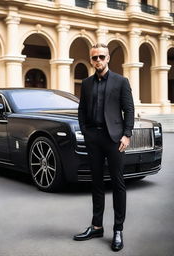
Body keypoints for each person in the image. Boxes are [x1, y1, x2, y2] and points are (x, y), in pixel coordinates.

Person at [74, 43, 134, 252]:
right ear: (91, 60)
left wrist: (127, 135)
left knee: (118, 184)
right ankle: (97, 226)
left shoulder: (121, 81)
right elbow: (81, 110)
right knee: (96, 183)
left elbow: (129, 109)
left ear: (108, 58)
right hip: (94, 138)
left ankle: (118, 229)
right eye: (94, 58)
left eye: (101, 57)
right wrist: (85, 131)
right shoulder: (87, 83)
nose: (98, 60)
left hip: (115, 139)